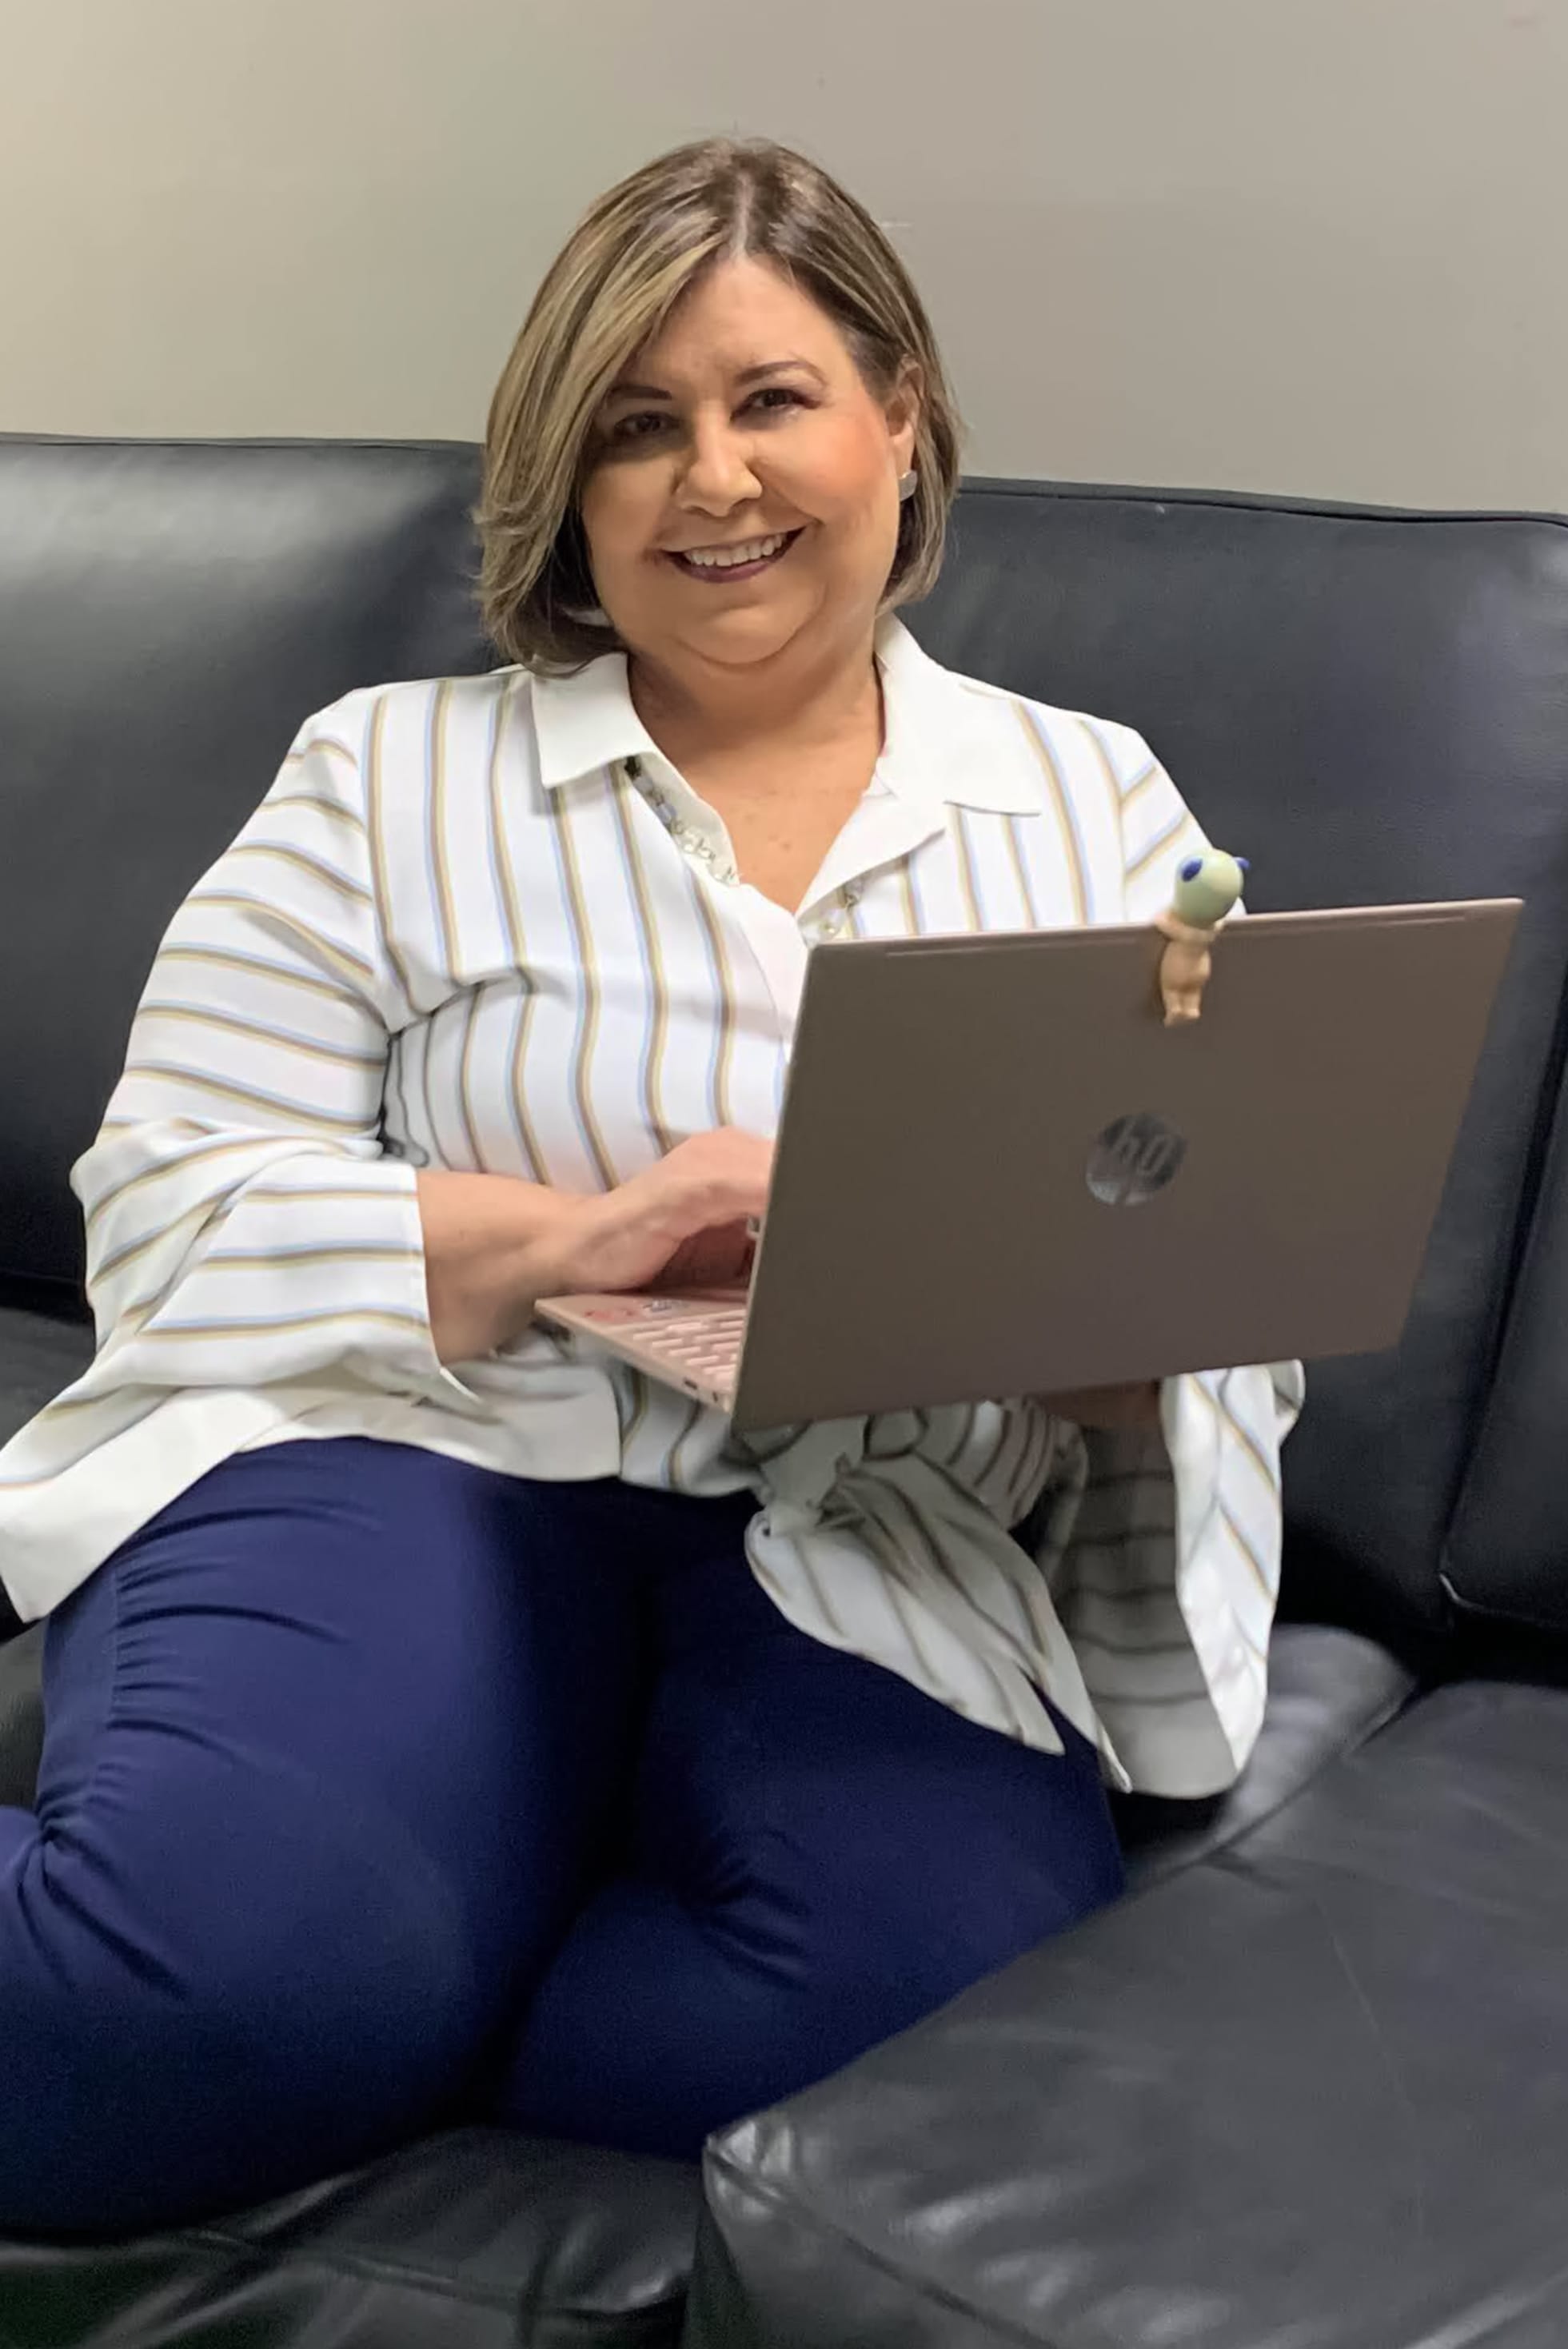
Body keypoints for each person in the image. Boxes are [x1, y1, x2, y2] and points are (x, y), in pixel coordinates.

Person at [0, 138, 1299, 2236]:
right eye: (635, 425)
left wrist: (1125, 1362)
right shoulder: (389, 774)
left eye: (773, 398)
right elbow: (166, 1204)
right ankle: (291, 1951)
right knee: (165, 2015)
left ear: (899, 422)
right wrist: (566, 1243)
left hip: (862, 1528)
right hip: (417, 1450)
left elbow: (1209, 1255)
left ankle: (383, 1951)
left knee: (907, 2072)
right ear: (572, 485)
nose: (714, 478)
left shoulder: (1097, 806)